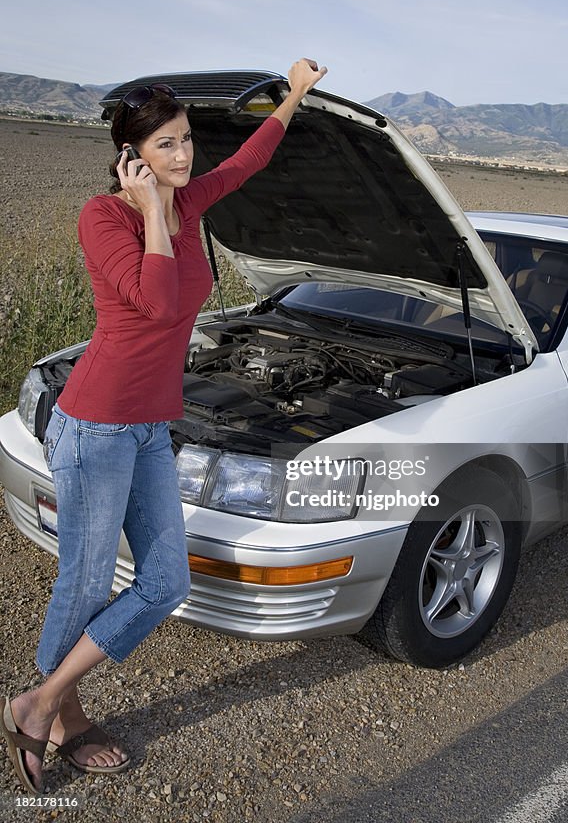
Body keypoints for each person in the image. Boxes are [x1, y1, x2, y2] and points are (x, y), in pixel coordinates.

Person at [0, 57, 328, 795]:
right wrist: (151, 211)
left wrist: (295, 95)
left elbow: (248, 160)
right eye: (165, 146)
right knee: (83, 583)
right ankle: (66, 718)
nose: (182, 157)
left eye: (185, 141)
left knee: (165, 582)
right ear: (131, 159)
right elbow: (152, 301)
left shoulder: (193, 199)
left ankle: (39, 702)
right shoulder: (105, 218)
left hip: (150, 427)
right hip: (96, 427)